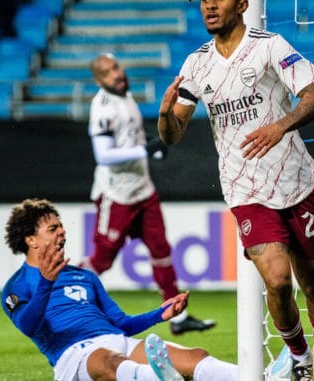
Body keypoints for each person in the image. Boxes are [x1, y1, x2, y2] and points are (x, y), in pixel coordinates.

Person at [157, 0, 314, 379]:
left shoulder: (270, 46)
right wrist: (163, 116)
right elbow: (173, 135)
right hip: (244, 190)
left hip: (296, 183)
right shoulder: (196, 64)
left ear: (241, 5)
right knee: (277, 280)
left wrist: (280, 125)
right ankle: (301, 360)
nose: (208, 5)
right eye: (204, 0)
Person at [0, 198, 238, 381]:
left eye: (61, 226)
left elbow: (121, 323)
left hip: (118, 340)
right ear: (31, 240)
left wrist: (160, 314)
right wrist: (46, 283)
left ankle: (263, 377)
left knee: (195, 357)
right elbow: (28, 326)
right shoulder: (17, 285)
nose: (62, 231)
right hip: (75, 353)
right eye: (53, 229)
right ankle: (156, 377)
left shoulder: (84, 276)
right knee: (110, 362)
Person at [81, 52, 216, 335]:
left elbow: (128, 138)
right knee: (101, 261)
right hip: (117, 196)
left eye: (116, 66)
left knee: (161, 251)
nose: (116, 73)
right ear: (98, 80)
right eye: (107, 72)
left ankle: (178, 318)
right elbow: (103, 155)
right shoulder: (102, 107)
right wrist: (145, 150)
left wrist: (146, 150)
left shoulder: (125, 96)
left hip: (143, 191)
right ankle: (66, 302)